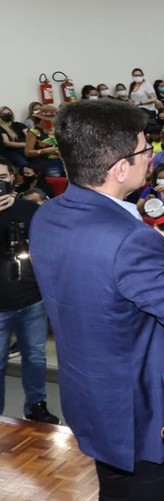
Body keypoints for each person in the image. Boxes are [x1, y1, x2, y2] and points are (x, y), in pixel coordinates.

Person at [30, 100, 164, 501]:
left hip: (93, 395)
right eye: (144, 149)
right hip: (147, 410)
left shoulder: (47, 215)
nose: (152, 156)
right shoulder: (132, 239)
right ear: (120, 167)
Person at [0, 157, 59, 424]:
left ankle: (36, 406)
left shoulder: (29, 209)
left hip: (31, 298)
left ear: (12, 178)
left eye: (2, 177)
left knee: (35, 358)